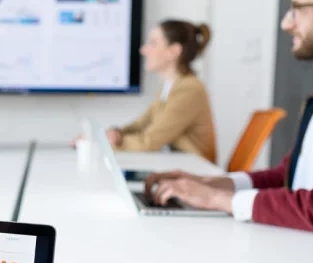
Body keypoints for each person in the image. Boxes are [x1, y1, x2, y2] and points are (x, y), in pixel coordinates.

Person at [146, 0, 313, 260]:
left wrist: (221, 201)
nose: (287, 24)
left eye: (299, 9)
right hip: (305, 256)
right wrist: (217, 185)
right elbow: (289, 177)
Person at [73, 20, 217, 163]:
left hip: (196, 171)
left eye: (153, 43)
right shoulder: (169, 86)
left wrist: (103, 143)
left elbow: (150, 141)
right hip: (178, 163)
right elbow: (143, 124)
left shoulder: (189, 89)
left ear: (174, 51)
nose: (144, 50)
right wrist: (116, 133)